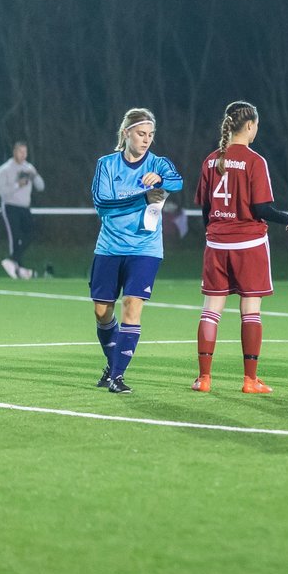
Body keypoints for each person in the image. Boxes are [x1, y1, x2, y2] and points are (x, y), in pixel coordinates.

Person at [192, 101, 288, 394]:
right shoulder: (254, 161)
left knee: (211, 310)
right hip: (249, 244)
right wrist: (287, 218)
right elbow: (261, 207)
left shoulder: (210, 160)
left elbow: (205, 207)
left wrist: (212, 232)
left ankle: (204, 378)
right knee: (250, 311)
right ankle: (250, 380)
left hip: (216, 243)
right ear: (250, 126)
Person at [89, 108, 183, 393]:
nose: (146, 140)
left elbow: (177, 182)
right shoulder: (106, 165)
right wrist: (141, 198)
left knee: (132, 306)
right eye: (141, 134)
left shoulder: (158, 163)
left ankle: (117, 376)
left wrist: (162, 181)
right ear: (126, 133)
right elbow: (101, 204)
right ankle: (112, 365)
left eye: (151, 135)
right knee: (102, 311)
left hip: (145, 248)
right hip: (109, 247)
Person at [0, 141, 45, 279]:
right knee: (15, 238)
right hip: (10, 206)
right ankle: (18, 268)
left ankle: (12, 261)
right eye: (20, 152)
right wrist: (17, 185)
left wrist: (34, 175)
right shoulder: (5, 169)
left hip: (24, 207)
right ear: (14, 152)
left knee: (31, 234)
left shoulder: (29, 168)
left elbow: (41, 187)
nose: (23, 155)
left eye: (25, 152)